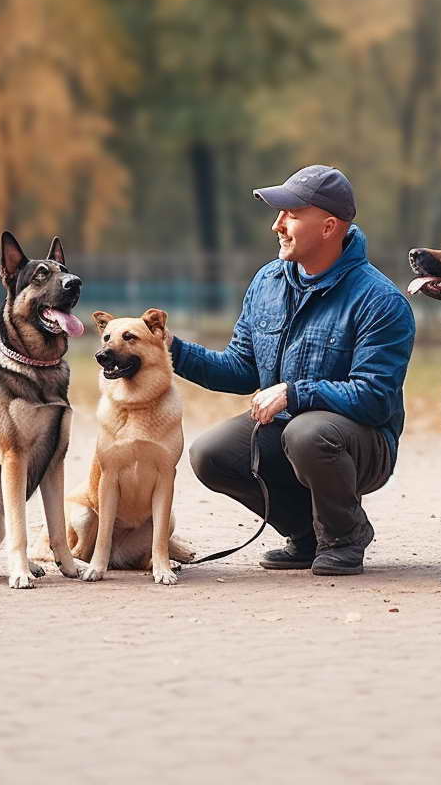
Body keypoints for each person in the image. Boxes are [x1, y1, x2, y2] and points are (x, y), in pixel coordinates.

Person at [169, 165, 416, 575]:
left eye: (291, 214)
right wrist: (170, 350)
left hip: (361, 444)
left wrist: (296, 393)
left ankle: (345, 535)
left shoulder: (381, 302)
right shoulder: (268, 281)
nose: (277, 225)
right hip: (288, 433)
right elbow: (240, 368)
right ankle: (306, 534)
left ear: (328, 226)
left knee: (308, 432)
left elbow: (374, 399)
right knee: (210, 453)